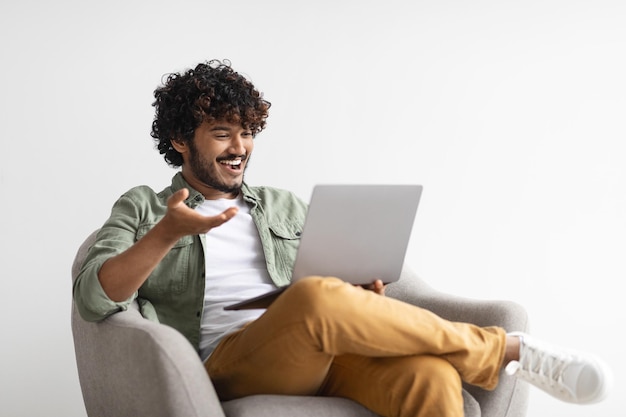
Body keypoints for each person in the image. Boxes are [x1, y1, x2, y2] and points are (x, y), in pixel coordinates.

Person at [73, 59, 611, 417]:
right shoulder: (144, 206)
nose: (240, 147)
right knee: (311, 298)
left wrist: (361, 297)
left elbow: (326, 295)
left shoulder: (283, 206)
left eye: (248, 132)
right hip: (229, 364)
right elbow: (95, 296)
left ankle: (482, 355)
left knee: (430, 379)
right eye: (221, 133)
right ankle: (502, 351)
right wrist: (168, 232)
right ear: (179, 141)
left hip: (324, 348)